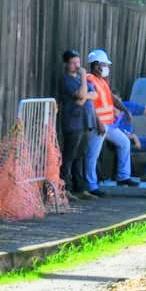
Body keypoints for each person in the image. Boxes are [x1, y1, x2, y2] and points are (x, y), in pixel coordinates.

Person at [84, 49, 139, 195]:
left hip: (109, 124)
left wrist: (125, 110)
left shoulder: (102, 81)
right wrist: (99, 123)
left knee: (124, 143)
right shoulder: (90, 80)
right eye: (104, 64)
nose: (107, 67)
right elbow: (90, 106)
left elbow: (112, 99)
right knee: (92, 155)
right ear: (96, 66)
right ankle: (91, 186)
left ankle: (123, 176)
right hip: (98, 125)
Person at [56, 49, 93, 200]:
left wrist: (83, 96)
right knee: (69, 156)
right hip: (72, 122)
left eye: (78, 62)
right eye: (73, 63)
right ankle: (66, 188)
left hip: (84, 122)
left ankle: (80, 187)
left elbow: (93, 94)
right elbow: (80, 94)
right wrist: (84, 76)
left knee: (81, 155)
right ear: (66, 64)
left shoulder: (79, 80)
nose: (77, 66)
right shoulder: (66, 80)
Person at [114, 100, 146, 181]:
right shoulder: (109, 111)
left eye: (119, 103)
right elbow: (112, 132)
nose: (118, 106)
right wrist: (133, 136)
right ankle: (124, 175)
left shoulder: (127, 106)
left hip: (133, 141)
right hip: (119, 142)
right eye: (115, 104)